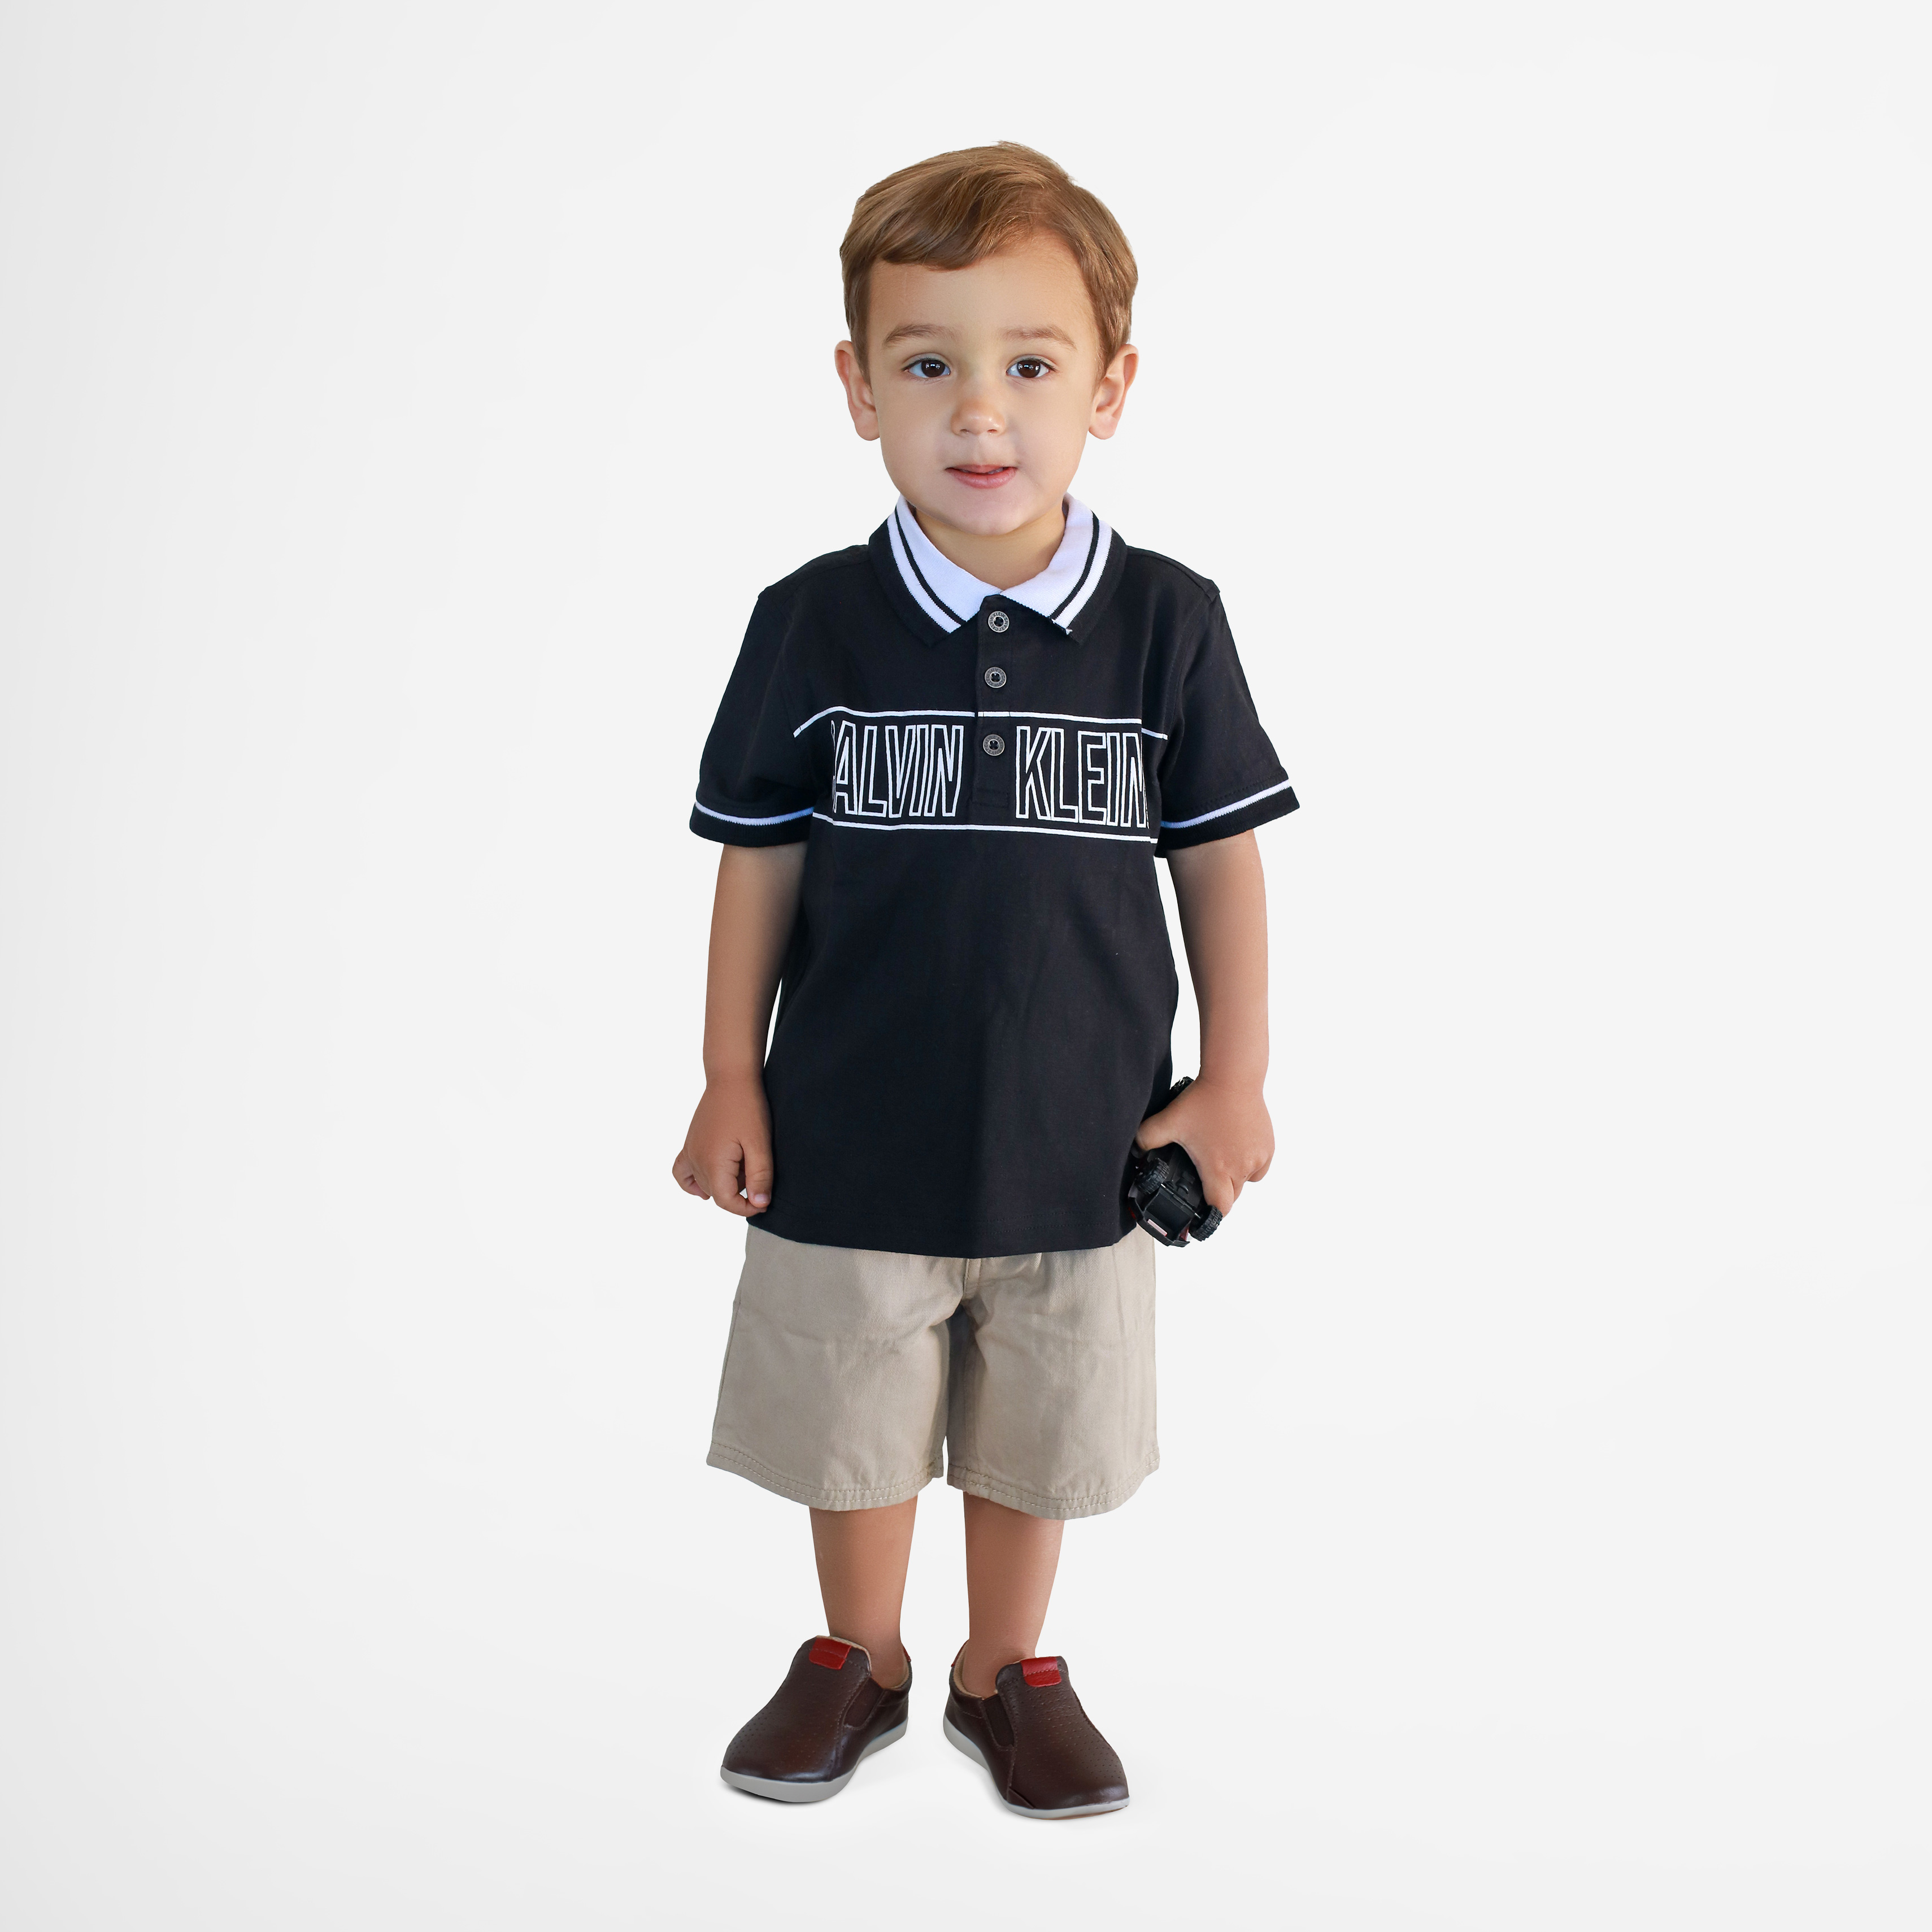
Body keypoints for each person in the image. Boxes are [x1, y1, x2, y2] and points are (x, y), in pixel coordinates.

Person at [673, 142, 1296, 1818]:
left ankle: (1003, 1669)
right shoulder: (812, 623)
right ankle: (859, 1654)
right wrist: (730, 1074)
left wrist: (1232, 1081)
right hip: (847, 1132)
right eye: (926, 363)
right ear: (856, 386)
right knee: (852, 1412)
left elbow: (1220, 862)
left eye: (1029, 363)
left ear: (1110, 387)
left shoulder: (1166, 623)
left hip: (1081, 1137)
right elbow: (759, 860)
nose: (977, 411)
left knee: (1042, 1425)